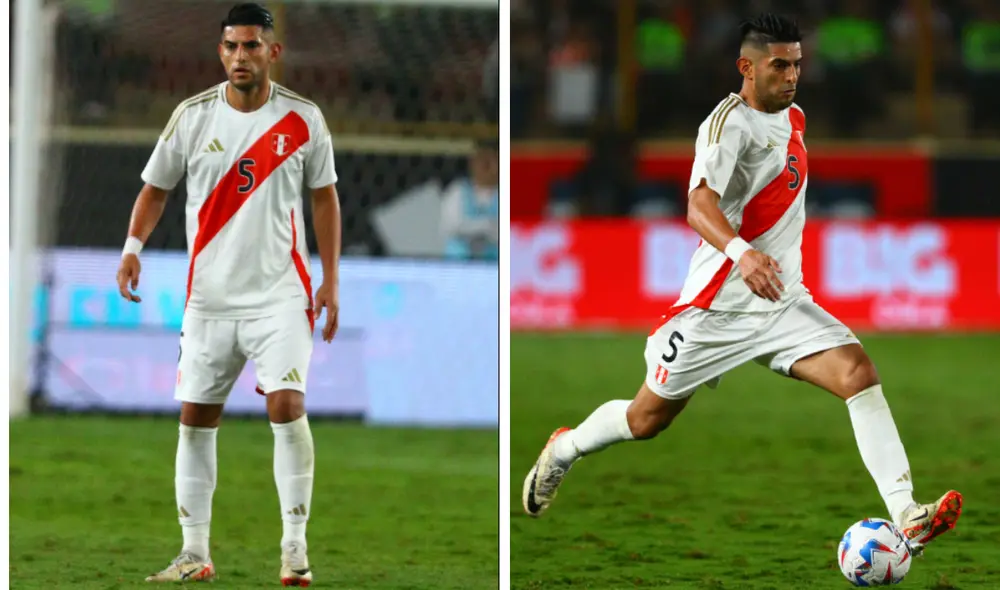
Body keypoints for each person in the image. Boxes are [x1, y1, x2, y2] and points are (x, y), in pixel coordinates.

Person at [521, 13, 962, 557]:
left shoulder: (796, 118)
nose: (792, 75)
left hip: (780, 304)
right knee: (646, 419)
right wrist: (742, 252)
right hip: (714, 310)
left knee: (858, 372)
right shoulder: (727, 125)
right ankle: (565, 449)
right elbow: (698, 205)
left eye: (798, 63)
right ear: (746, 68)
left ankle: (906, 514)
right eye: (780, 65)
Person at [115, 3, 340, 585]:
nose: (241, 56)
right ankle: (194, 553)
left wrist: (331, 279)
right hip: (209, 301)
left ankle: (294, 547)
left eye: (252, 45)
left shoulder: (303, 119)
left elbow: (324, 198)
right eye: (232, 47)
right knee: (195, 419)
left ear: (273, 51)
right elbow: (155, 188)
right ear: (221, 52)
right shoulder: (191, 117)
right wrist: (132, 247)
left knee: (287, 406)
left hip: (280, 297)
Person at [441, 139, 499, 261]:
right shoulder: (457, 192)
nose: (485, 167)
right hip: (461, 263)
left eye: (490, 162)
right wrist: (485, 226)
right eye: (481, 161)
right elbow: (450, 228)